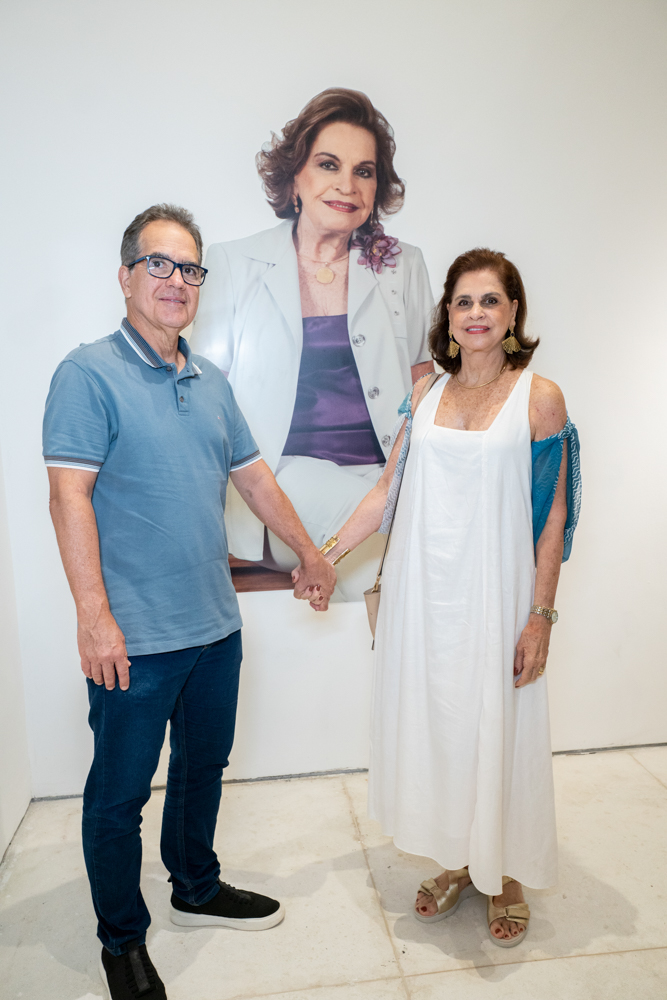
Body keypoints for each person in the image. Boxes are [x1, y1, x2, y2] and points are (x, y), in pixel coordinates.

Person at [43, 204, 336, 1000]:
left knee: (203, 767)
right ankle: (121, 940)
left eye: (189, 268)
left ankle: (196, 888)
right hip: (133, 640)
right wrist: (94, 619)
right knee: (118, 798)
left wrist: (310, 553)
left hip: (214, 627)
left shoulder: (210, 381)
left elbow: (255, 479)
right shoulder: (86, 374)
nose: (176, 280)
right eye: (159, 264)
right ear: (126, 276)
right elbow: (68, 499)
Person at [311, 248, 581, 946]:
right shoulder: (426, 393)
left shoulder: (539, 397)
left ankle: (505, 874)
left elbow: (551, 516)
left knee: (500, 730)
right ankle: (460, 862)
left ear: (513, 312)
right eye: (463, 301)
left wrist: (541, 618)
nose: (475, 313)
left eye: (490, 300)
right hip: (424, 601)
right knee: (444, 730)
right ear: (448, 316)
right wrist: (323, 556)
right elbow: (386, 492)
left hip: (499, 599)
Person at [191, 88, 434, 600]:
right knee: (414, 540)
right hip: (283, 484)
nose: (347, 185)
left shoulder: (402, 265)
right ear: (294, 176)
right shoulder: (235, 264)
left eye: (364, 171)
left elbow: (423, 388)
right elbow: (207, 408)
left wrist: (396, 483)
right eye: (328, 164)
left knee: (399, 524)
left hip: (385, 478)